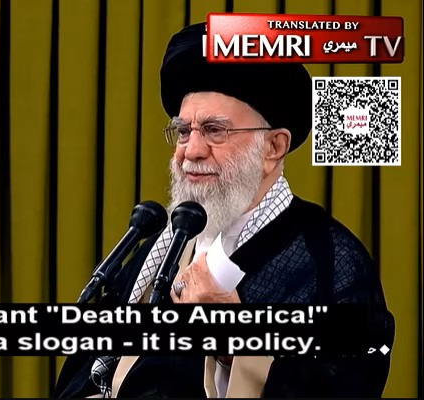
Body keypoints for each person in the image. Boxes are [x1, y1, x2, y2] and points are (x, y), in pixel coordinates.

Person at [55, 22, 394, 398]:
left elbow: (348, 380)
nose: (191, 150)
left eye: (215, 130)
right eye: (184, 131)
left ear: (273, 147)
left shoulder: (330, 259)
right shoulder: (159, 248)